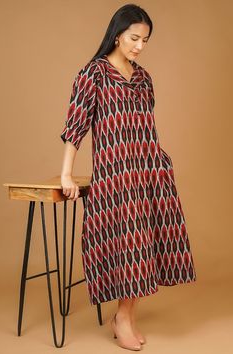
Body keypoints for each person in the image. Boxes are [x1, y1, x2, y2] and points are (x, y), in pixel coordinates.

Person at [60, 3, 197, 351]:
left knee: (146, 247)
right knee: (127, 247)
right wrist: (67, 174)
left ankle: (126, 316)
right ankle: (122, 318)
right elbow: (76, 128)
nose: (139, 45)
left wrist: (160, 159)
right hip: (116, 175)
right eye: (134, 37)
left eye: (145, 40)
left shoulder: (143, 78)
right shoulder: (93, 74)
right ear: (117, 34)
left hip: (149, 171)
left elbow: (145, 125)